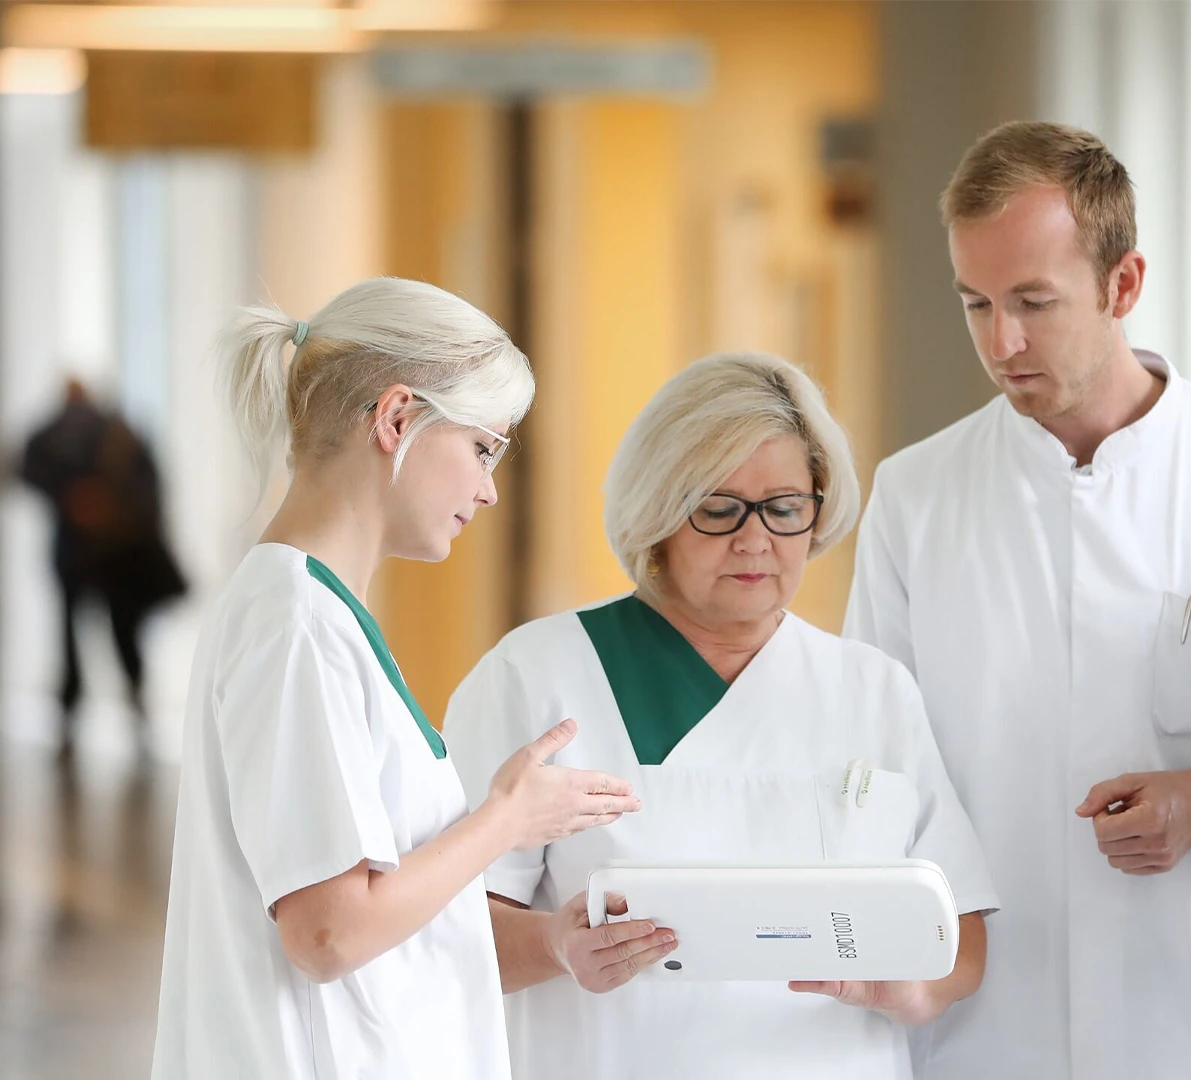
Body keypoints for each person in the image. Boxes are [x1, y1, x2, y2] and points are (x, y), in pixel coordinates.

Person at [844, 121, 1191, 1078]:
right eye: (976, 303)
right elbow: (876, 764)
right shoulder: (917, 495)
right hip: (982, 1024)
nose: (1003, 341)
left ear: (1124, 285)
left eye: (1035, 300)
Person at [443, 352, 997, 1080]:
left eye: (785, 508)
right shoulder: (538, 675)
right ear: (659, 513)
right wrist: (554, 943)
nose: (755, 539)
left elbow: (960, 934)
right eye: (718, 507)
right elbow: (442, 933)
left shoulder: (872, 691)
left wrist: (901, 989)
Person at [152, 278, 640, 1080]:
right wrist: (505, 821)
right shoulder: (296, 626)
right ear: (398, 418)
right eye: (484, 449)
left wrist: (552, 937)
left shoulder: (313, 617)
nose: (487, 489)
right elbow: (330, 933)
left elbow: (397, 921)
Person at [17, 376, 187, 755]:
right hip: (92, 555)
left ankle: (121, 713)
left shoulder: (84, 434)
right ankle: (117, 712)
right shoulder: (105, 431)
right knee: (98, 634)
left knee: (105, 633)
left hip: (107, 555)